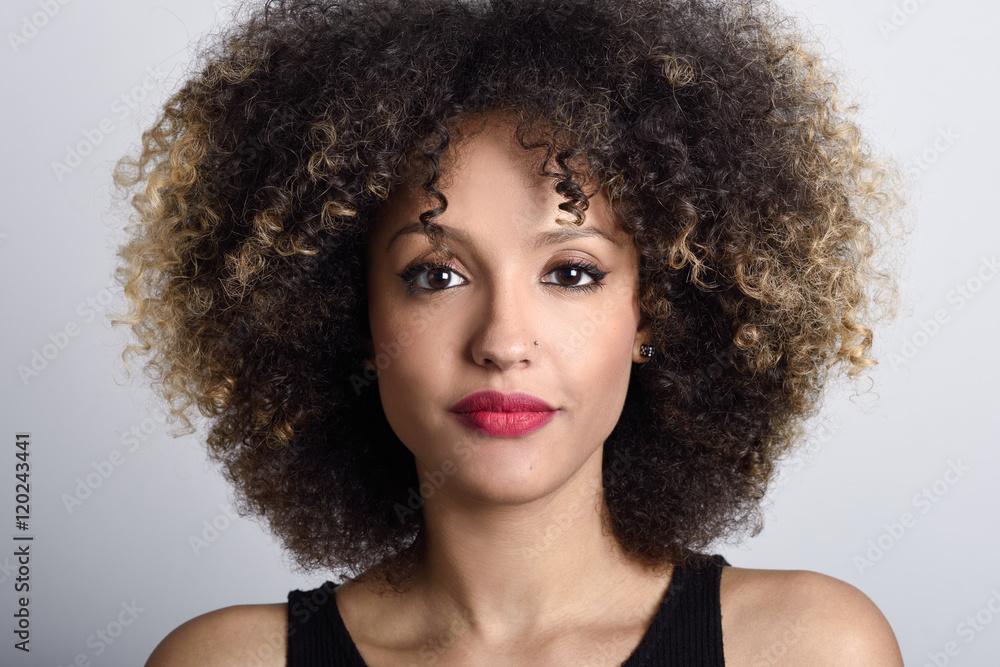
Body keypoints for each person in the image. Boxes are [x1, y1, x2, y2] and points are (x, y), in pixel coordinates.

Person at [113, 0, 909, 664]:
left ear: (654, 310)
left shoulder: (810, 646)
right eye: (437, 273)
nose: (502, 340)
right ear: (345, 314)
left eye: (571, 272)